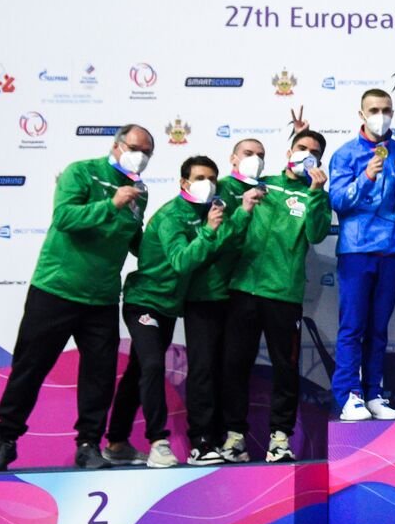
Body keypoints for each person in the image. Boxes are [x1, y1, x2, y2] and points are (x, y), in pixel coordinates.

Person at [0, 125, 153, 473]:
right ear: (117, 145)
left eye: (148, 152)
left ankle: (88, 445)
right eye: (136, 147)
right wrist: (111, 204)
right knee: (29, 369)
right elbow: (64, 218)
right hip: (56, 290)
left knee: (100, 376)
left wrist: (165, 243)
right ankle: (6, 442)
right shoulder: (82, 172)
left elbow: (132, 236)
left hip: (103, 298)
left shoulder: (141, 191)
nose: (141, 155)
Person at [104, 155, 256, 467]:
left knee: (138, 371)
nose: (208, 184)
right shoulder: (172, 215)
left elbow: (223, 243)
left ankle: (116, 442)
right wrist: (210, 231)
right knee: (152, 367)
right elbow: (182, 261)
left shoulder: (210, 212)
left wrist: (238, 216)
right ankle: (159, 442)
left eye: (212, 178)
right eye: (200, 178)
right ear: (184, 182)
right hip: (145, 301)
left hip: (171, 306)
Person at [221, 130, 331, 463]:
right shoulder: (260, 183)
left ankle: (280, 438)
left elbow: (317, 232)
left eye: (313, 152)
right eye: (301, 148)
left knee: (285, 369)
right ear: (288, 152)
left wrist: (315, 193)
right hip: (243, 289)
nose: (305, 154)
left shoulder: (316, 195)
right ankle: (234, 437)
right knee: (235, 365)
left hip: (284, 294)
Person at [183, 138, 268, 464]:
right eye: (249, 154)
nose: (255, 160)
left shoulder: (266, 189)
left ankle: (233, 438)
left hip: (241, 295)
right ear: (233, 158)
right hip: (206, 295)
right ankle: (202, 440)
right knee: (203, 369)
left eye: (261, 156)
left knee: (234, 370)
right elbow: (217, 240)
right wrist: (243, 211)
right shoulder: (216, 192)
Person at [329, 88, 395, 422]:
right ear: (361, 115)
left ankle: (374, 393)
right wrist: (366, 177)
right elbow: (338, 202)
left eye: (386, 109)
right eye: (374, 109)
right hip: (357, 250)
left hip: (390, 250)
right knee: (352, 327)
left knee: (378, 328)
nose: (381, 115)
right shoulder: (346, 154)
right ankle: (350, 395)